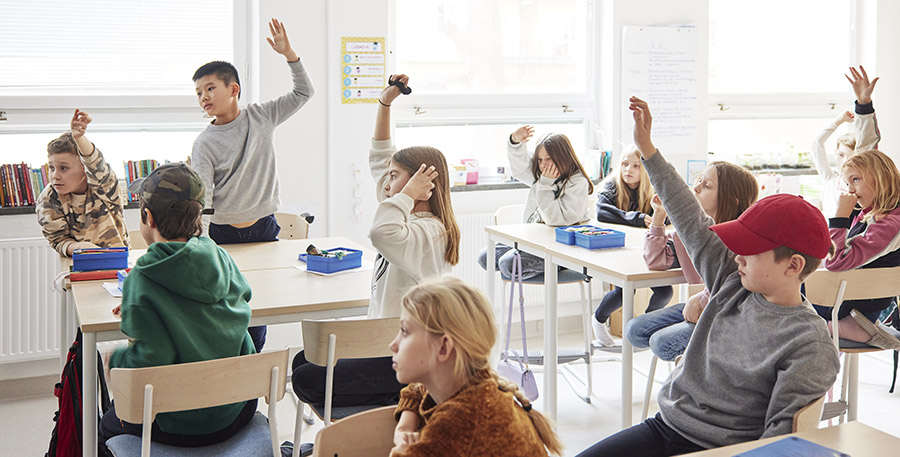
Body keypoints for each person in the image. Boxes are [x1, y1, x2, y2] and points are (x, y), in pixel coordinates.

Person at [577, 97, 840, 456]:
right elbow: (687, 214)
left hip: (719, 449)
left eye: (751, 248)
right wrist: (647, 149)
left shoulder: (809, 343)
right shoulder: (734, 278)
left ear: (793, 266)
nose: (738, 256)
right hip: (665, 427)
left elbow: (780, 444)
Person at [291, 73, 460, 411]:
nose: (386, 182)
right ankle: (385, 403)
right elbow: (381, 156)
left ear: (419, 186)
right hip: (385, 342)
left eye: (395, 177)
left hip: (406, 357)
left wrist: (407, 194)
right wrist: (385, 104)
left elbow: (380, 233)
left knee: (305, 377)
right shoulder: (407, 217)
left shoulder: (428, 233)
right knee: (303, 360)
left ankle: (394, 402)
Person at [98, 163, 256, 454]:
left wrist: (115, 359)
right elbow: (243, 297)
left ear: (148, 217)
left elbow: (150, 360)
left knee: (107, 423)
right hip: (237, 408)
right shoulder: (220, 255)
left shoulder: (143, 279)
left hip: (181, 424)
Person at [191, 17, 314, 352]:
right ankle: (230, 375)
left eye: (210, 88)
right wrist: (201, 243)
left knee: (259, 308)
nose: (203, 97)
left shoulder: (263, 116)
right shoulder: (204, 143)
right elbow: (204, 196)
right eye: (199, 92)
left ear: (234, 90)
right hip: (223, 235)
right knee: (228, 308)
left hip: (263, 228)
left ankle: (250, 380)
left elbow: (305, 92)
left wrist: (290, 54)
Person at [389, 276, 562, 457]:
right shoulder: (479, 388)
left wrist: (400, 452)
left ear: (443, 347)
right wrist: (404, 426)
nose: (393, 345)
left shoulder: (455, 425)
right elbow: (419, 389)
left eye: (405, 331)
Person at [624, 162, 758, 361]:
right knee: (634, 330)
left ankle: (695, 375)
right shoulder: (690, 232)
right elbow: (656, 261)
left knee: (662, 343)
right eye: (699, 181)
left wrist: (701, 299)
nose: (695, 188)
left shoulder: (740, 237)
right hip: (707, 303)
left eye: (707, 186)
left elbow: (733, 286)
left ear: (731, 200)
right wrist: (659, 216)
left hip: (728, 313)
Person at [477, 124, 594, 280]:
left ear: (563, 158)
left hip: (561, 248)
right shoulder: (541, 174)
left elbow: (555, 220)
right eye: (539, 159)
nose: (543, 164)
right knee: (486, 257)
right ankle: (534, 261)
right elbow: (520, 169)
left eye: (549, 159)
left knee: (507, 265)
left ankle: (562, 264)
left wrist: (546, 184)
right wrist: (515, 141)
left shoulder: (577, 183)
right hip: (533, 241)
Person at [816, 149, 900, 349]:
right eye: (847, 183)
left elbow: (836, 262)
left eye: (855, 180)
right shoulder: (873, 213)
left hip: (855, 306)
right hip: (853, 302)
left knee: (781, 301)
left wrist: (839, 217)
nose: (850, 190)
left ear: (882, 178)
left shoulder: (889, 224)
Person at [592, 146, 669, 346]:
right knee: (624, 291)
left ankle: (644, 326)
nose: (629, 170)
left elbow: (669, 213)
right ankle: (598, 320)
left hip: (644, 251)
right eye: (625, 164)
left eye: (636, 166)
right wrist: (637, 218)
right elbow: (602, 212)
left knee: (665, 292)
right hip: (617, 250)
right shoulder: (611, 186)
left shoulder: (654, 188)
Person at [37, 109, 129, 256]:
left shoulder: (103, 185)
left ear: (84, 169)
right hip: (80, 264)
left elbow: (95, 162)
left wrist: (79, 138)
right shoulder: (49, 198)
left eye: (64, 168)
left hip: (118, 263)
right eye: (52, 168)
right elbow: (58, 241)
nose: (55, 176)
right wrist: (79, 247)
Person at [811, 65, 881, 216]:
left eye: (850, 156)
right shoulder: (830, 178)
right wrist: (838, 121)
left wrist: (864, 104)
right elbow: (817, 144)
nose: (845, 161)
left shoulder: (862, 188)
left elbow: (867, 142)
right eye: (841, 155)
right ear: (835, 153)